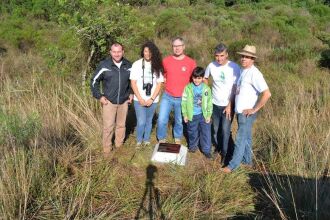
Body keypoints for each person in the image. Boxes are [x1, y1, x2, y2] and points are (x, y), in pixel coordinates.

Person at [222, 45, 271, 173]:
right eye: (243, 56)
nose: (244, 59)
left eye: (247, 57)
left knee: (240, 138)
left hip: (246, 114)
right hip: (240, 112)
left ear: (252, 59)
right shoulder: (244, 71)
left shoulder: (255, 74)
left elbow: (267, 94)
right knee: (247, 137)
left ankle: (232, 166)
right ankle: (247, 161)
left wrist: (254, 109)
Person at [91, 42, 133, 154]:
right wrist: (99, 96)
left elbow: (133, 82)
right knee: (108, 127)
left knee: (121, 126)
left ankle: (119, 147)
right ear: (110, 52)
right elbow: (94, 81)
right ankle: (107, 151)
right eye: (114, 52)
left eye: (119, 51)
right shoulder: (104, 65)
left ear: (123, 52)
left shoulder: (128, 65)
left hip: (124, 102)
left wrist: (131, 93)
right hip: (109, 102)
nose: (117, 54)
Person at [204, 43, 240, 164]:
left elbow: (236, 87)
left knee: (225, 130)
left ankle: (225, 154)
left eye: (222, 55)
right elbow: (205, 78)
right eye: (217, 56)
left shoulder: (234, 67)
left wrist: (230, 104)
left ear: (227, 55)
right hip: (214, 103)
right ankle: (218, 148)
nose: (219, 58)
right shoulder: (211, 66)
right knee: (215, 129)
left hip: (228, 106)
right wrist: (207, 92)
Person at [157, 37, 197, 144]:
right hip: (168, 96)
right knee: (162, 119)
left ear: (183, 47)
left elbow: (195, 80)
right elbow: (163, 75)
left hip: (182, 97)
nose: (177, 48)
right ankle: (161, 138)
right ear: (172, 47)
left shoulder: (191, 62)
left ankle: (177, 137)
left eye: (179, 46)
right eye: (174, 46)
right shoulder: (166, 61)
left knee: (179, 120)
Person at [130, 41, 164, 147]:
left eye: (150, 51)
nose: (147, 53)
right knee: (141, 121)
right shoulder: (136, 64)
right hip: (138, 99)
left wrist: (152, 99)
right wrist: (140, 98)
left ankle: (146, 139)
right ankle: (139, 140)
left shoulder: (157, 64)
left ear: (153, 52)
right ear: (142, 52)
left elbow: (159, 84)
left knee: (149, 121)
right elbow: (133, 83)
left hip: (153, 99)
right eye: (145, 51)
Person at [182, 67, 213, 158]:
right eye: (195, 78)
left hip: (203, 116)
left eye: (199, 78)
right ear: (192, 77)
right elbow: (184, 101)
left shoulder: (206, 89)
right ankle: (192, 147)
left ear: (203, 78)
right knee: (192, 132)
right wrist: (185, 114)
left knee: (206, 133)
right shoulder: (187, 88)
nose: (196, 80)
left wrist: (208, 115)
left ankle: (206, 150)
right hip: (192, 116)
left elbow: (209, 103)